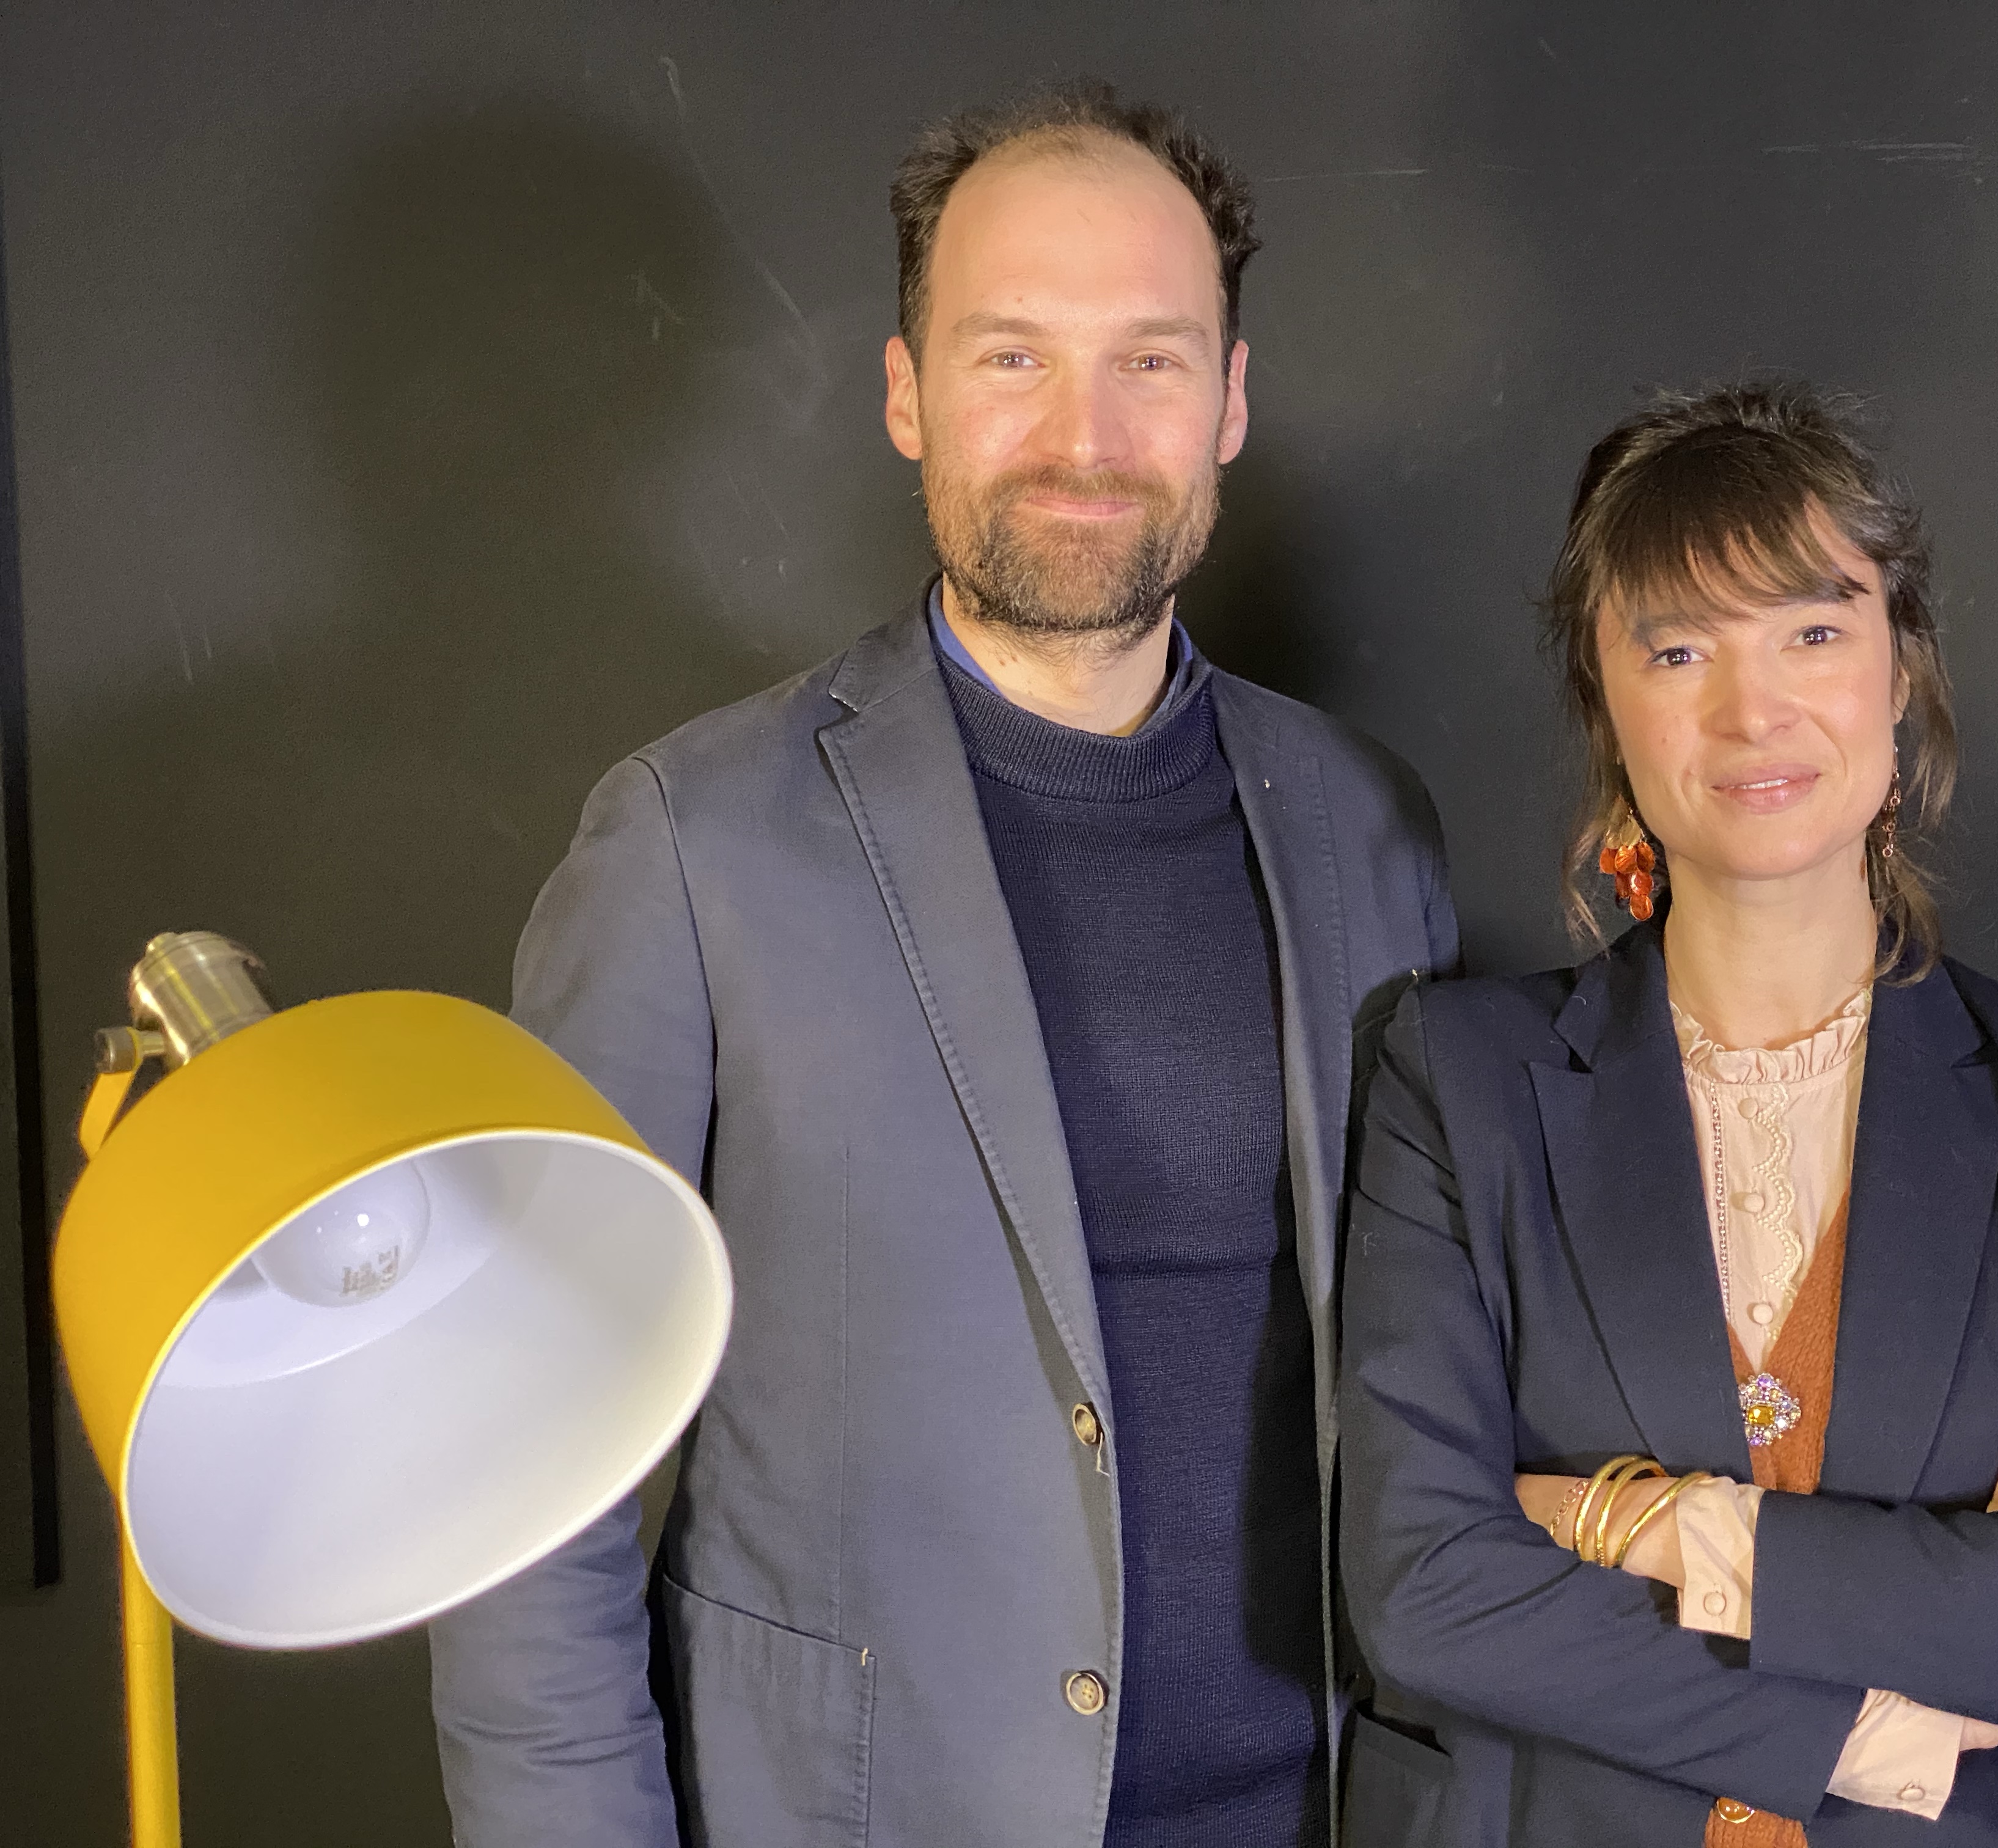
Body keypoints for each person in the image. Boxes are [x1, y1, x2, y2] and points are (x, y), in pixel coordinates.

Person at [428, 81, 1456, 1848]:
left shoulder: (1370, 827)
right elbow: (527, 1474)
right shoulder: (686, 844)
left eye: (1148, 360)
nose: (1083, 435)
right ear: (907, 394)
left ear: (1229, 402)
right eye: (1012, 357)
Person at [1335, 383, 1998, 1847]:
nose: (1750, 710)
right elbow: (1426, 1591)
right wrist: (1895, 1689)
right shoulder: (1456, 1078)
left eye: (1813, 634)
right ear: (1606, 707)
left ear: (1901, 672)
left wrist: (1661, 1526)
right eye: (1678, 649)